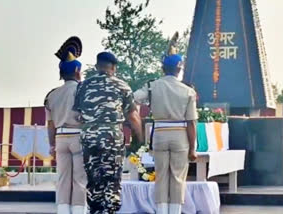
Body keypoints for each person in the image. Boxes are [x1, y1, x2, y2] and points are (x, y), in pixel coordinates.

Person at [73, 52, 143, 214]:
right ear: (114, 67)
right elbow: (133, 118)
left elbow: (76, 115)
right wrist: (138, 140)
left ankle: (96, 210)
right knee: (112, 181)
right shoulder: (122, 86)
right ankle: (110, 210)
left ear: (97, 66)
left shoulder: (83, 86)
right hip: (112, 138)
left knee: (94, 180)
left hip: (89, 138)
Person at [134, 54, 198, 214]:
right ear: (180, 68)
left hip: (160, 134)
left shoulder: (152, 86)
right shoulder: (188, 91)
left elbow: (134, 98)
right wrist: (192, 149)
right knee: (177, 177)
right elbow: (191, 122)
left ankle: (161, 211)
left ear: (162, 69)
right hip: (180, 134)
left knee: (161, 176)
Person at [44, 37, 87, 214]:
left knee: (63, 179)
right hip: (79, 137)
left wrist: (52, 144)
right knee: (80, 180)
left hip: (60, 138)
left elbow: (50, 124)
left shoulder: (52, 95)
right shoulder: (84, 90)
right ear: (77, 70)